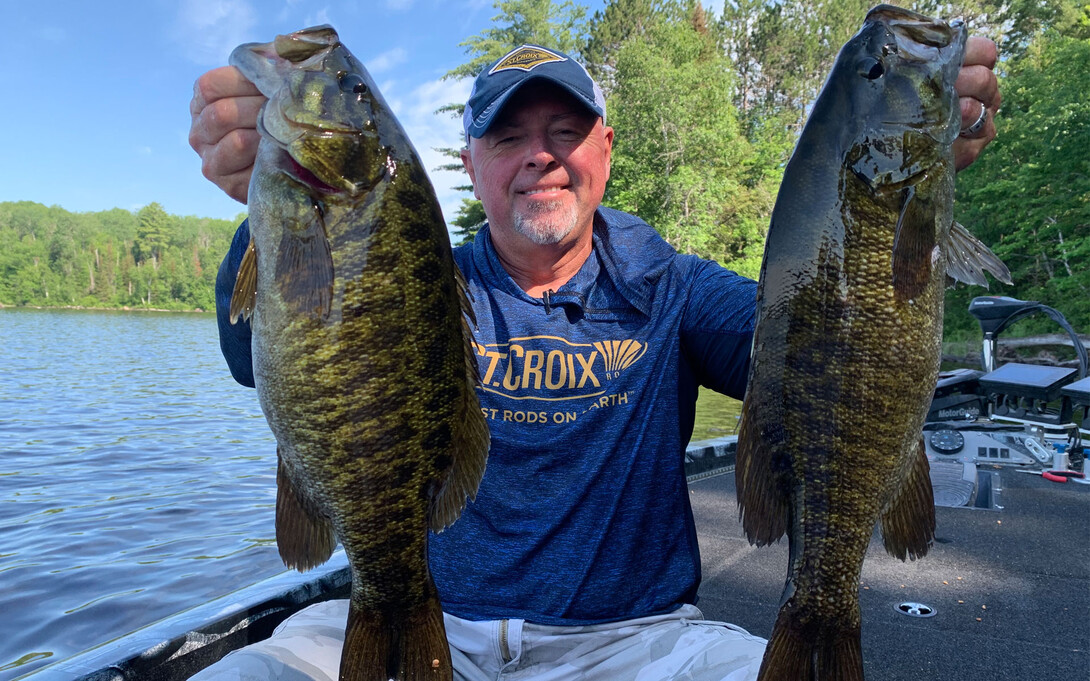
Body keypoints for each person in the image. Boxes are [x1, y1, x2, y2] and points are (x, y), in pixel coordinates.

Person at [188, 35, 1001, 681]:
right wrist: (268, 217)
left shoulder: (673, 288)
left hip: (639, 644)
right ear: (472, 165)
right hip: (433, 615)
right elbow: (249, 356)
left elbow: (819, 360)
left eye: (564, 132)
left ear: (605, 150)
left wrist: (892, 206)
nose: (540, 155)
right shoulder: (414, 281)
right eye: (509, 136)